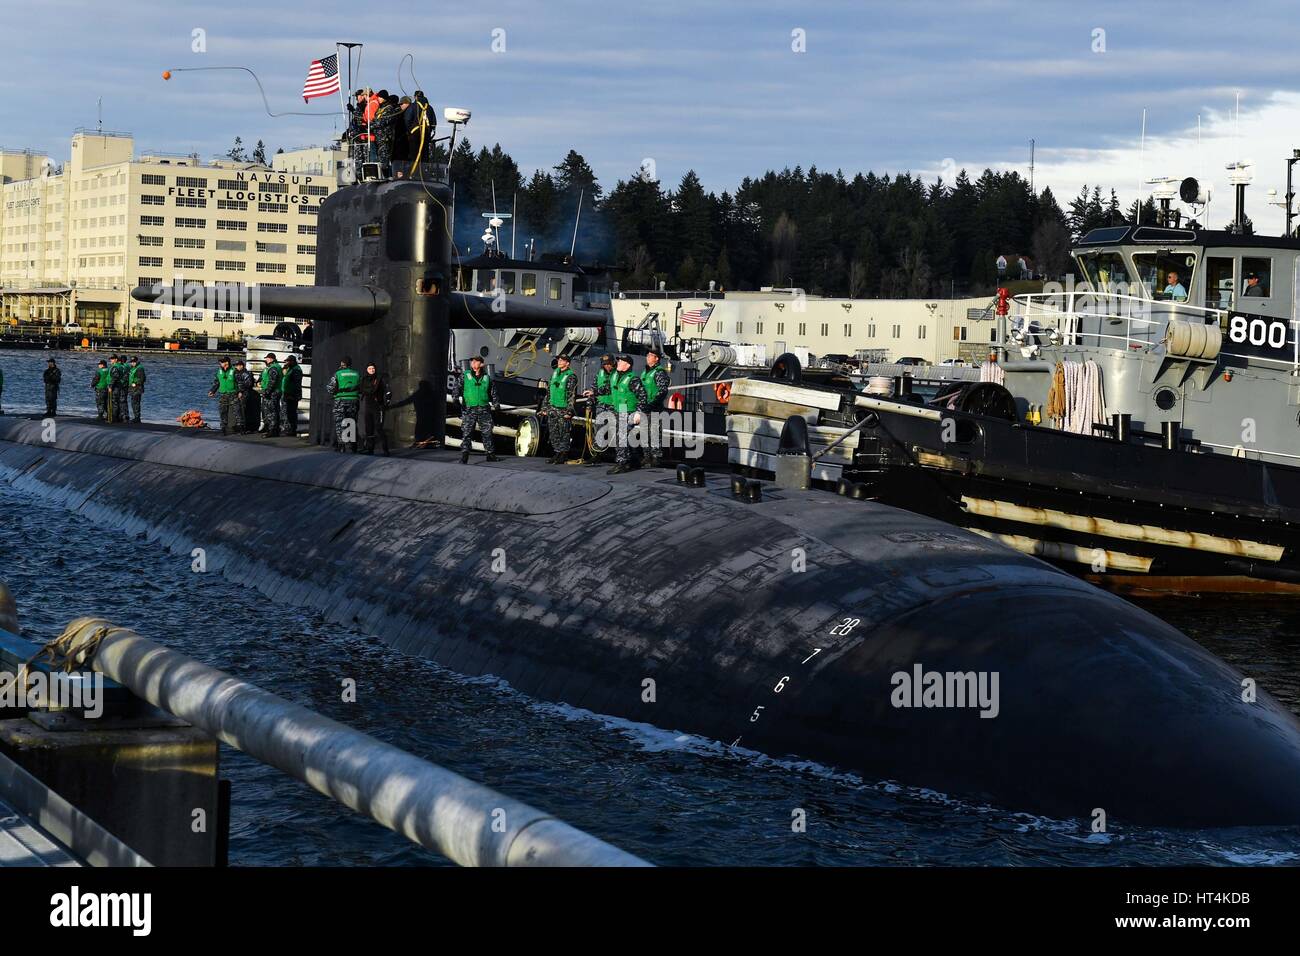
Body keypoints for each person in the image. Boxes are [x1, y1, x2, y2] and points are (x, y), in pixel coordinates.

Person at [607, 353, 648, 475]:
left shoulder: (632, 379)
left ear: (627, 365)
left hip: (628, 410)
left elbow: (643, 396)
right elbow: (608, 389)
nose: (618, 362)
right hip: (618, 410)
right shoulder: (616, 376)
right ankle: (634, 460)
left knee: (621, 436)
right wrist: (594, 392)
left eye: (621, 361)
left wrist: (639, 413)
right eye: (618, 361)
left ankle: (622, 463)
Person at [454, 355, 499, 464]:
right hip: (469, 409)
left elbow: (493, 393)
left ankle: (490, 454)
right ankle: (465, 455)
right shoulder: (465, 376)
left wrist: (496, 404)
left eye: (475, 362)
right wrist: (455, 398)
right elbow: (457, 387)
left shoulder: (487, 378)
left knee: (487, 432)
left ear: (481, 364)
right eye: (472, 362)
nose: (473, 364)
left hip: (484, 409)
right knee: (467, 433)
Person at [539, 354, 577, 464]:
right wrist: (544, 407)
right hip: (553, 407)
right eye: (559, 359)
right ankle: (557, 452)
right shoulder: (555, 373)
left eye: (562, 360)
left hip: (563, 409)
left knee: (564, 432)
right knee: (553, 432)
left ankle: (563, 454)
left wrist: (570, 411)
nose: (559, 361)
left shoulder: (571, 377)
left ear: (567, 363)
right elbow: (549, 392)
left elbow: (571, 395)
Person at [581, 353, 617, 467]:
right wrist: (591, 399)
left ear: (613, 363)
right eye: (605, 364)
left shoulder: (618, 374)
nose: (607, 366)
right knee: (599, 430)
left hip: (614, 406)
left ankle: (621, 457)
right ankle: (597, 455)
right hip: (601, 405)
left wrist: (594, 392)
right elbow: (595, 386)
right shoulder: (600, 372)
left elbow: (610, 388)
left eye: (608, 364)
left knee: (617, 431)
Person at [639, 349, 671, 468]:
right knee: (644, 433)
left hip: (655, 408)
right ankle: (647, 456)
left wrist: (653, 403)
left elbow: (663, 390)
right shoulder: (645, 372)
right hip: (644, 407)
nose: (647, 357)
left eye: (650, 356)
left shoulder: (659, 372)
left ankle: (655, 458)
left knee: (654, 433)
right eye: (647, 355)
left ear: (656, 358)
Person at [326, 356, 361, 453]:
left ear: (342, 363)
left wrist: (335, 393)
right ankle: (353, 445)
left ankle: (342, 445)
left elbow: (330, 388)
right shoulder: (356, 374)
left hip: (340, 399)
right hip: (354, 399)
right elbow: (360, 386)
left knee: (340, 422)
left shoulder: (338, 374)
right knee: (351, 421)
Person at [359, 362, 391, 455]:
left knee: (379, 427)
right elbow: (360, 389)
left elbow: (387, 391)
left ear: (375, 369)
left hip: (378, 406)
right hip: (368, 406)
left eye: (373, 368)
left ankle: (385, 450)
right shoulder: (364, 379)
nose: (371, 370)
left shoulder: (380, 379)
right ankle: (370, 449)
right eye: (369, 368)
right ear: (367, 370)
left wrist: (387, 401)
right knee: (369, 428)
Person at [208, 357, 239, 435]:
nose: (220, 363)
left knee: (236, 411)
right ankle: (223, 428)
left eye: (222, 362)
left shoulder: (234, 371)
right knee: (222, 411)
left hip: (233, 394)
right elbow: (216, 382)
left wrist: (240, 392)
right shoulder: (219, 371)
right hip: (223, 394)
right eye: (220, 362)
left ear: (227, 362)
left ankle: (238, 428)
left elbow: (239, 382)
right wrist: (212, 391)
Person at [405, 91, 433, 177]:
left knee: (414, 154)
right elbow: (434, 122)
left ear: (415, 97)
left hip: (414, 134)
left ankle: (413, 173)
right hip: (426, 134)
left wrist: (409, 131)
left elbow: (407, 119)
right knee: (424, 154)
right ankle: (424, 173)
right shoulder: (430, 108)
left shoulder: (413, 106)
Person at [258, 352, 283, 437]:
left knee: (272, 412)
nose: (266, 360)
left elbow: (272, 382)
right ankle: (269, 428)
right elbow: (264, 378)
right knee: (268, 411)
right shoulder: (271, 367)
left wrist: (267, 392)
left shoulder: (274, 368)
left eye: (267, 358)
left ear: (271, 359)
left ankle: (273, 431)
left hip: (272, 393)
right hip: (272, 392)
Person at [280, 354, 303, 438]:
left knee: (291, 413)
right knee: (287, 412)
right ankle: (288, 429)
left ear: (292, 361)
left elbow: (296, 384)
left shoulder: (296, 370)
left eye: (288, 361)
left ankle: (291, 430)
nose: (286, 363)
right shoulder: (291, 369)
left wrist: (292, 395)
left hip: (292, 395)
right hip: (287, 394)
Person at [233, 359, 254, 434]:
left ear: (241, 366)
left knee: (243, 410)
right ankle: (239, 426)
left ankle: (244, 427)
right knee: (237, 410)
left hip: (244, 393)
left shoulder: (246, 374)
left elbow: (248, 384)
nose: (236, 367)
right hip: (237, 393)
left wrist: (241, 391)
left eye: (237, 365)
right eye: (236, 366)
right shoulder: (236, 373)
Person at [108, 354, 128, 424]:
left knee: (114, 402)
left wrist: (110, 386)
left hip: (115, 387)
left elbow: (115, 377)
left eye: (112, 359)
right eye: (110, 359)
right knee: (119, 402)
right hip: (120, 386)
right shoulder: (121, 366)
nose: (111, 360)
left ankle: (114, 418)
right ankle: (121, 417)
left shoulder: (115, 367)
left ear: (116, 359)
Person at [127, 356, 146, 423]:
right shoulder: (132, 368)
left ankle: (137, 418)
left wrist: (136, 383)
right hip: (132, 389)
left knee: (136, 403)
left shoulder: (140, 368)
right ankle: (136, 417)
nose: (132, 363)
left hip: (137, 388)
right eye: (132, 362)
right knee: (133, 403)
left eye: (134, 362)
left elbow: (142, 379)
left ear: (137, 361)